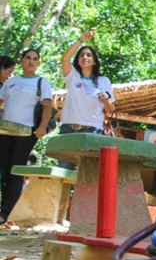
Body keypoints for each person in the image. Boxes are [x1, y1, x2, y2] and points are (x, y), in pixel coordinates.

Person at [0, 50, 54, 222]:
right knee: (3, 170)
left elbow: (47, 106)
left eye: (35, 59)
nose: (31, 61)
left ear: (38, 63)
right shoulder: (11, 82)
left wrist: (42, 127)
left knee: (15, 171)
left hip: (26, 132)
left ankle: (6, 213)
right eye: (28, 58)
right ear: (22, 61)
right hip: (4, 131)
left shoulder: (42, 82)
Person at [57, 30, 116, 169]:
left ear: (94, 61)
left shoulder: (103, 81)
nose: (85, 57)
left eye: (89, 55)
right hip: (68, 130)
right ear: (78, 60)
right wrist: (81, 40)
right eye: (81, 55)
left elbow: (111, 110)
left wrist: (105, 102)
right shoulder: (72, 76)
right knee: (64, 172)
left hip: (93, 131)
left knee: (88, 174)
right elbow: (65, 58)